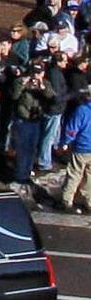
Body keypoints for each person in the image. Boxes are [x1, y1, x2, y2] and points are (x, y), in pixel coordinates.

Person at [57, 86, 91, 214]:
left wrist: (64, 143)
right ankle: (89, 201)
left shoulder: (81, 110)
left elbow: (72, 130)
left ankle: (67, 200)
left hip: (81, 148)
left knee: (74, 174)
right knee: (90, 177)